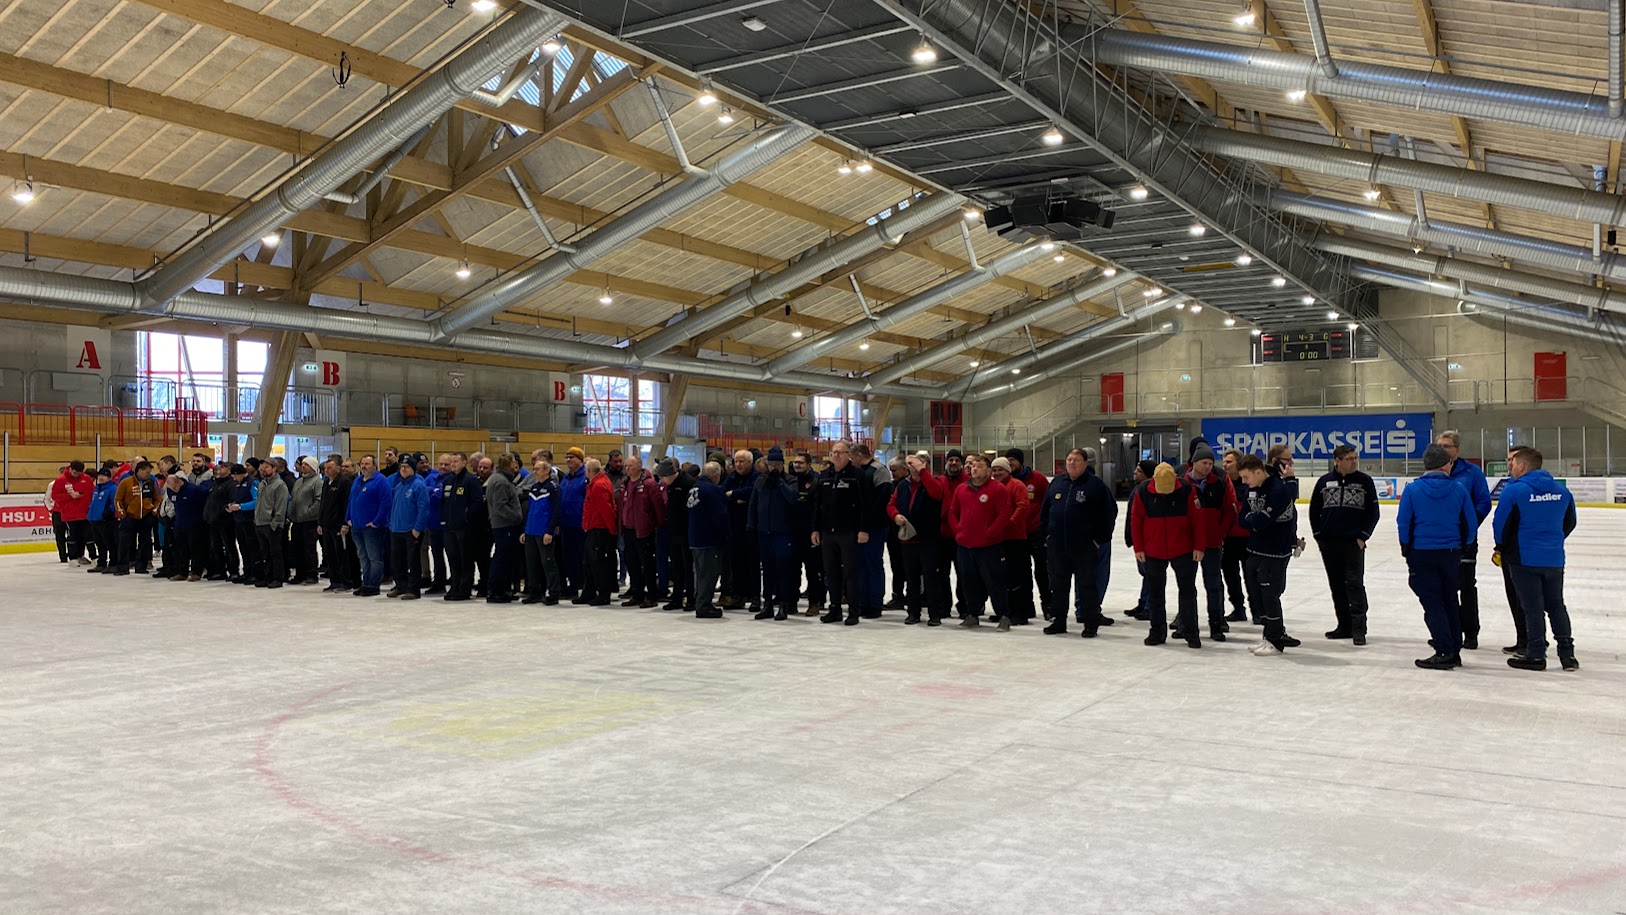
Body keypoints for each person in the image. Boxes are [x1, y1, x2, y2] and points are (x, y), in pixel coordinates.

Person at [1493, 448, 1579, 672]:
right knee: (1556, 605)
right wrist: (1553, 540)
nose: (1510, 468)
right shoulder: (1562, 491)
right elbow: (1570, 522)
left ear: (1522, 466)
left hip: (1524, 559)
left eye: (1513, 464)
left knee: (1532, 608)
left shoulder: (1514, 491)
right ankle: (1567, 654)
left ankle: (1536, 654)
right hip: (1553, 558)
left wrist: (1502, 548)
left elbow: (1501, 526)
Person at [1399, 444, 1479, 670]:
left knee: (1432, 603)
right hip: (1450, 553)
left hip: (1422, 553)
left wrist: (1407, 549)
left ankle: (1444, 649)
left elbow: (1404, 523)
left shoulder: (1412, 490)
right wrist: (1463, 546)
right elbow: (1470, 523)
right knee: (1450, 600)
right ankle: (1453, 647)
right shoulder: (1459, 489)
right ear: (1445, 464)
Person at [1040, 448, 1117, 637]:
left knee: (1087, 587)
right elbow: (1045, 512)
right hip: (1058, 547)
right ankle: (1059, 621)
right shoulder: (1057, 483)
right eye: (1069, 459)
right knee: (1058, 586)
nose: (1072, 463)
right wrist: (1047, 536)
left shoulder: (1095, 485)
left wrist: (1098, 541)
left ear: (1085, 463)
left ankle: (1090, 623)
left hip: (1084, 547)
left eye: (1076, 460)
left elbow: (1108, 515)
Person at [1308, 445, 1381, 645]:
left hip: (1353, 543)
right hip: (1329, 543)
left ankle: (1359, 629)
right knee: (1337, 585)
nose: (1353, 462)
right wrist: (1318, 536)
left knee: (1354, 584)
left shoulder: (1364, 481)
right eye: (1349, 458)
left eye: (1355, 458)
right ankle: (1344, 626)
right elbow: (1314, 510)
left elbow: (1373, 513)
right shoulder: (1324, 482)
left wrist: (1362, 537)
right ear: (1337, 461)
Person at [1130, 462, 1207, 648]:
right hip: (1153, 551)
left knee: (1188, 592)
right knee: (1155, 594)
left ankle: (1191, 633)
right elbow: (1135, 520)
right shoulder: (1142, 491)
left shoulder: (1187, 490)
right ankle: (1156, 632)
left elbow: (1198, 519)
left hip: (1184, 550)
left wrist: (1199, 546)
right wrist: (1138, 548)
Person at [1237, 455, 1301, 656]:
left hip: (1274, 551)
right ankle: (1268, 635)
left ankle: (1275, 639)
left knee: (1270, 596)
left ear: (1258, 472)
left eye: (1246, 477)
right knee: (1259, 597)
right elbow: (1242, 518)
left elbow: (1261, 522)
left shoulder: (1278, 490)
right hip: (1255, 548)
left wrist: (1255, 520)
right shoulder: (1253, 489)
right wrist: (1255, 519)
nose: (1244, 482)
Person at [1435, 431, 1493, 649]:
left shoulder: (1472, 473)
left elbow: (1483, 503)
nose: (1442, 449)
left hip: (1465, 540)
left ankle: (1470, 632)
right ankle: (1447, 632)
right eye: (1439, 445)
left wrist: (1468, 526)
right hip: (1439, 540)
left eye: (1447, 446)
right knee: (1441, 587)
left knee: (1467, 586)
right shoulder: (1434, 470)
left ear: (1457, 450)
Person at [948, 454, 1011, 630]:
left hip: (989, 546)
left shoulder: (998, 489)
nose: (975, 469)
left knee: (995, 582)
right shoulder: (962, 489)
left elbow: (1004, 515)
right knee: (968, 581)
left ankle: (1003, 614)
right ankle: (972, 613)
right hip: (965, 545)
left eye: (980, 466)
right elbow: (953, 512)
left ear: (989, 470)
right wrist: (958, 531)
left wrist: (991, 533)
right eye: (973, 466)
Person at [1183, 445, 1238, 643]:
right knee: (1187, 586)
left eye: (1210, 463)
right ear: (1194, 463)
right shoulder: (1182, 484)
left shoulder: (1219, 483)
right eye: (1204, 463)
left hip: (1212, 543)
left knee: (1213, 584)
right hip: (1187, 545)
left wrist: (1220, 533)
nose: (1208, 467)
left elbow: (1229, 511)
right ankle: (1186, 624)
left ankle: (1216, 623)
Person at [813, 442, 868, 625]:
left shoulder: (858, 476)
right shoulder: (824, 476)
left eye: (840, 453)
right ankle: (834, 608)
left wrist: (863, 529)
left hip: (849, 533)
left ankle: (853, 611)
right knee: (831, 572)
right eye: (834, 452)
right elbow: (817, 506)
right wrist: (815, 528)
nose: (836, 456)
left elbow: (864, 506)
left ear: (848, 455)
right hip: (828, 533)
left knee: (850, 573)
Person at [887, 452, 946, 626]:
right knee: (911, 578)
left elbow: (936, 494)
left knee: (931, 578)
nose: (912, 468)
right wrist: (895, 515)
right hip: (908, 539)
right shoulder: (902, 485)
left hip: (929, 538)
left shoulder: (934, 481)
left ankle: (935, 614)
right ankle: (913, 612)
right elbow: (891, 504)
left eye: (915, 464)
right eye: (909, 465)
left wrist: (923, 473)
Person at [748, 447, 799, 620]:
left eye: (777, 464)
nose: (774, 468)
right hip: (764, 533)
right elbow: (753, 504)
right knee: (767, 570)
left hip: (783, 533)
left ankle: (783, 605)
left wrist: (779, 482)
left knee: (783, 570)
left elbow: (793, 498)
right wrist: (751, 525)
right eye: (771, 464)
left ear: (782, 464)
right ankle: (767, 604)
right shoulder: (760, 481)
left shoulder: (790, 480)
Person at [1005, 448, 1050, 617]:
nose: (1010, 463)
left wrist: (1045, 527)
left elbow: (1048, 502)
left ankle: (1048, 606)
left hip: (1036, 532)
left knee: (1042, 571)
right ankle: (1027, 607)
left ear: (1020, 461)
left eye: (1013, 460)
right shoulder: (1007, 481)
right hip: (1018, 535)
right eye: (1007, 459)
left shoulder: (1037, 479)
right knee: (1022, 573)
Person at [990, 457, 1034, 626]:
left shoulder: (1017, 485)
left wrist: (1007, 525)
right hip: (998, 539)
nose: (997, 473)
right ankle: (1005, 611)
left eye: (1000, 469)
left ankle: (1020, 612)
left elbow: (1022, 506)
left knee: (1017, 577)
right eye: (994, 470)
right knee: (1002, 577)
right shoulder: (992, 487)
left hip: (1015, 538)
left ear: (1008, 471)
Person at [851, 443, 893, 618]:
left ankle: (875, 604)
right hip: (861, 527)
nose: (852, 461)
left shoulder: (878, 470)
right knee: (860, 565)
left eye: (853, 458)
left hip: (875, 527)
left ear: (860, 455)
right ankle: (862, 602)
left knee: (873, 565)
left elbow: (880, 502)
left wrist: (866, 526)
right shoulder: (860, 472)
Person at [618, 455, 665, 608]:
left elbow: (658, 506)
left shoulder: (649, 484)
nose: (627, 469)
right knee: (632, 563)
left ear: (639, 466)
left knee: (647, 564)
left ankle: (651, 595)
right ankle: (637, 593)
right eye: (626, 466)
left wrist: (656, 524)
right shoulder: (625, 483)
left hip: (644, 531)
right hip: (628, 530)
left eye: (630, 466)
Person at [344, 455, 392, 597]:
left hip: (372, 527)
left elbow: (386, 503)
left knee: (374, 557)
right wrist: (348, 518)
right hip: (356, 525)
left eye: (367, 463)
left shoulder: (381, 481)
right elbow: (351, 500)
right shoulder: (358, 480)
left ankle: (373, 584)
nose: (364, 466)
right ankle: (366, 583)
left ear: (375, 465)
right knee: (363, 556)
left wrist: (377, 521)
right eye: (362, 463)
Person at [438, 452, 482, 602]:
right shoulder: (448, 480)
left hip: (465, 528)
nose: (453, 464)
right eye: (451, 461)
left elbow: (477, 503)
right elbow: (443, 502)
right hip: (449, 527)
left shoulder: (470, 481)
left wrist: (466, 518)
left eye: (456, 461)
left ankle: (464, 588)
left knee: (465, 559)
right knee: (453, 558)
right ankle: (455, 585)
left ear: (464, 463)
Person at [721, 449, 761, 611]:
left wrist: (735, 494)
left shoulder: (757, 477)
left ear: (750, 463)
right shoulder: (732, 477)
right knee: (736, 564)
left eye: (741, 461)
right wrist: (736, 498)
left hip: (750, 528)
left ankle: (755, 597)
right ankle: (738, 595)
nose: (737, 464)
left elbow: (753, 493)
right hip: (734, 528)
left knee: (752, 563)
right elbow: (722, 493)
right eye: (736, 461)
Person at [385, 457, 430, 600]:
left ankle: (413, 589)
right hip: (396, 529)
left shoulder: (418, 485)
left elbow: (424, 508)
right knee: (397, 561)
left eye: (407, 467)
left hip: (411, 531)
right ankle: (400, 585)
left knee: (413, 561)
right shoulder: (399, 485)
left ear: (413, 469)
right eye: (402, 467)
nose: (403, 469)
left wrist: (417, 528)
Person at [689, 462, 730, 619]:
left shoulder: (694, 488)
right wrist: (726, 534)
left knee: (699, 573)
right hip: (709, 539)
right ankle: (704, 605)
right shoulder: (713, 490)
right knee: (708, 574)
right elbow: (720, 516)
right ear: (716, 475)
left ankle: (700, 601)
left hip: (695, 538)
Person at [521, 458, 562, 606]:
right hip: (531, 530)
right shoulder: (534, 487)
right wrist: (525, 530)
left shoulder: (553, 488)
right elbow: (530, 510)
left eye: (538, 469)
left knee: (548, 563)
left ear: (547, 471)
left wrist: (550, 531)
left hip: (544, 531)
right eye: (534, 468)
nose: (535, 471)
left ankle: (553, 592)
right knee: (531, 563)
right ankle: (535, 592)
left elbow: (556, 511)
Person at [579, 457, 618, 607]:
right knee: (589, 562)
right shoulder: (595, 483)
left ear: (589, 471)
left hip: (599, 529)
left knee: (599, 563)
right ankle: (589, 591)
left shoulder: (599, 485)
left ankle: (603, 594)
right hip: (592, 527)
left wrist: (611, 529)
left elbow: (606, 509)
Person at [656, 458, 694, 611]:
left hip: (686, 532)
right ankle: (677, 597)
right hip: (674, 531)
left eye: (663, 478)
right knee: (677, 566)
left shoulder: (687, 484)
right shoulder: (670, 486)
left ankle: (691, 598)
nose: (662, 481)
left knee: (688, 567)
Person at [790, 451, 824, 617]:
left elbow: (817, 508)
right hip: (794, 533)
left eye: (800, 463)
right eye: (795, 462)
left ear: (809, 464)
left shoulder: (816, 482)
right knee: (793, 570)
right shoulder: (791, 481)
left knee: (813, 570)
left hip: (810, 533)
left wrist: (815, 529)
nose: (797, 465)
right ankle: (792, 602)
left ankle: (814, 603)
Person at [1219, 449, 1252, 623]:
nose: (1225, 464)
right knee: (1230, 575)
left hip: (1246, 537)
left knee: (1250, 575)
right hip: (1228, 537)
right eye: (1224, 461)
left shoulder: (1247, 484)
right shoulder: (1221, 484)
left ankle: (1258, 609)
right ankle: (1238, 608)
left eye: (1229, 461)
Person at [1122, 460, 1157, 620]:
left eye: (1139, 471)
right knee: (1146, 573)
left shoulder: (1149, 490)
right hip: (1138, 538)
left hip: (1147, 540)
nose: (1135, 473)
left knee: (1150, 573)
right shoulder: (1138, 489)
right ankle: (1144, 603)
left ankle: (1150, 606)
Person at [113, 460, 160, 576]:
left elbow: (158, 498)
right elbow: (118, 499)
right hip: (129, 517)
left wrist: (154, 511)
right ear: (139, 471)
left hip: (146, 517)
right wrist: (122, 514)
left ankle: (141, 566)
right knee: (124, 543)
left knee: (145, 542)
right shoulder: (125, 482)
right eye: (147, 472)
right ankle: (123, 567)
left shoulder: (151, 483)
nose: (149, 475)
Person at [937, 449, 968, 619]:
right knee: (942, 574)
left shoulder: (969, 482)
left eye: (957, 460)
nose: (954, 463)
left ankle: (964, 606)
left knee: (963, 573)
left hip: (961, 536)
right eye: (951, 460)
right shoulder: (939, 481)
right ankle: (943, 607)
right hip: (942, 536)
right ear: (946, 463)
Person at [163, 473, 209, 581]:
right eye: (171, 488)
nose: (173, 490)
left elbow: (205, 502)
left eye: (174, 487)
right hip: (179, 524)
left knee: (195, 550)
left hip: (195, 524)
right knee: (180, 549)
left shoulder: (194, 490)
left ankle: (196, 572)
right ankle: (182, 572)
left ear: (179, 481)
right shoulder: (171, 490)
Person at [250, 460, 289, 589]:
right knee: (264, 553)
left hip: (272, 524)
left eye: (266, 467)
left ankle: (278, 577)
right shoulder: (262, 484)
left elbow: (281, 506)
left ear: (274, 468)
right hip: (260, 523)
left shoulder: (280, 485)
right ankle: (267, 577)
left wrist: (276, 522)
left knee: (275, 552)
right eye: (262, 468)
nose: (263, 470)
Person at [317, 459, 354, 592]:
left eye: (330, 468)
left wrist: (345, 523)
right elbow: (323, 503)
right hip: (326, 524)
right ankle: (334, 581)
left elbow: (346, 504)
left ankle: (346, 581)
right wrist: (320, 522)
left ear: (338, 469)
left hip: (338, 525)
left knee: (341, 555)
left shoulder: (344, 483)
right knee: (330, 554)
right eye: (326, 468)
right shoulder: (326, 482)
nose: (327, 470)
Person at [50, 460, 93, 565]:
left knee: (87, 536)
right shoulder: (61, 480)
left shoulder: (86, 479)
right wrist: (70, 496)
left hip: (84, 513)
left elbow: (91, 492)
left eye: (79, 473)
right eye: (75, 473)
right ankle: (72, 557)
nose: (77, 475)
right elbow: (54, 496)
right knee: (72, 535)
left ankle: (85, 555)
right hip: (69, 514)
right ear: (71, 469)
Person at [558, 448, 587, 598]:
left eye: (572, 457)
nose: (568, 460)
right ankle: (573, 584)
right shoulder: (566, 478)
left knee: (581, 556)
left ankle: (584, 584)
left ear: (580, 460)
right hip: (566, 522)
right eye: (567, 457)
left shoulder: (585, 477)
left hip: (580, 522)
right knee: (568, 557)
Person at [288, 457, 323, 585]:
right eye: (302, 464)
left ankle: (312, 574)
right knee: (297, 549)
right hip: (296, 521)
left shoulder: (317, 482)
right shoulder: (299, 481)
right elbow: (293, 498)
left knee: (309, 549)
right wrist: (291, 513)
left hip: (309, 521)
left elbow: (318, 501)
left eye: (306, 465)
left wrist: (308, 513)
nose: (303, 467)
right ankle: (300, 574)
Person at [884, 456, 909, 611]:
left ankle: (914, 595)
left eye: (895, 470)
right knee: (896, 566)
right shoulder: (891, 486)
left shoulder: (910, 485)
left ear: (904, 469)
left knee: (911, 567)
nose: (892, 473)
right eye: (891, 470)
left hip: (909, 531)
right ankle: (897, 595)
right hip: (893, 532)